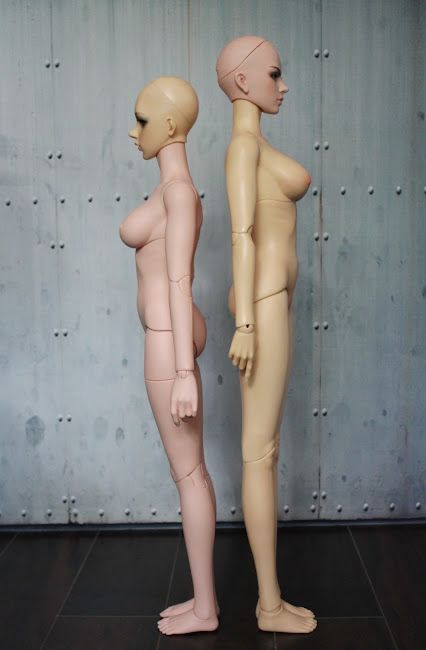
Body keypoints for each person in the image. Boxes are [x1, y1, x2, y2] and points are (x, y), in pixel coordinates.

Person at [216, 37, 317, 634]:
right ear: (243, 81)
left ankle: (271, 601)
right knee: (260, 452)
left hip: (271, 304)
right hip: (263, 307)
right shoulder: (243, 148)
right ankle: (269, 605)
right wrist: (247, 324)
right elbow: (242, 235)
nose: (283, 86)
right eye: (274, 74)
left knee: (265, 450)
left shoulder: (255, 146)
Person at [120, 76, 218, 636]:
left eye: (142, 120)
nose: (134, 132)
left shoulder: (179, 193)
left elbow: (180, 280)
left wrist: (184, 372)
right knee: (192, 472)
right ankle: (202, 601)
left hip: (168, 338)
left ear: (171, 124)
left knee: (189, 475)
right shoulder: (168, 190)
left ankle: (205, 610)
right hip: (169, 334)